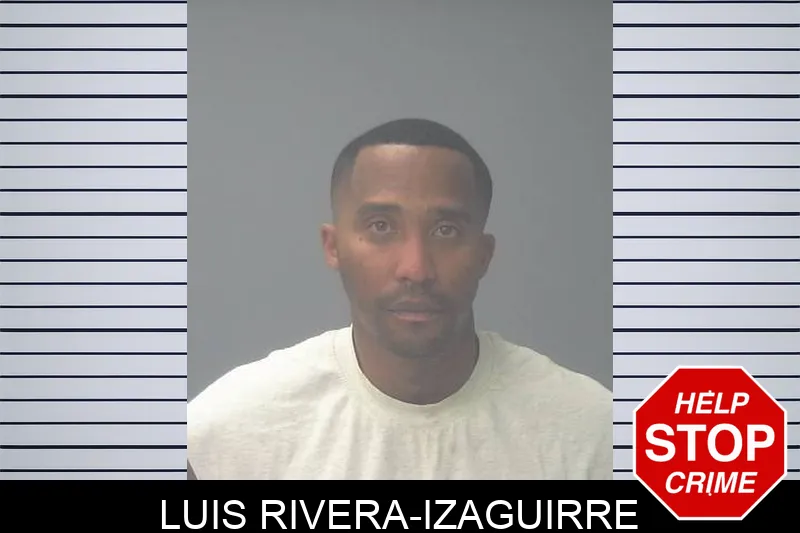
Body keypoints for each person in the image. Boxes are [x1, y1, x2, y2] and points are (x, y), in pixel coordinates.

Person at [187, 118, 612, 480]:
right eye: (381, 227)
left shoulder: (593, 435)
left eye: (446, 230)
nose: (416, 268)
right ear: (333, 247)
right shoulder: (225, 436)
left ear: (484, 255)